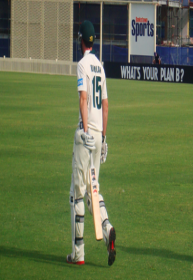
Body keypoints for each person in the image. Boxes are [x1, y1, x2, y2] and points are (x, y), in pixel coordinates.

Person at [66, 20, 116, 266]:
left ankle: (79, 252)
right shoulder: (100, 66)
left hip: (85, 135)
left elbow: (83, 99)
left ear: (81, 41)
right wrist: (103, 138)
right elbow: (106, 106)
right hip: (99, 136)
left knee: (78, 193)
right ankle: (107, 229)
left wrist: (85, 131)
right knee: (93, 188)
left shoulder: (83, 64)